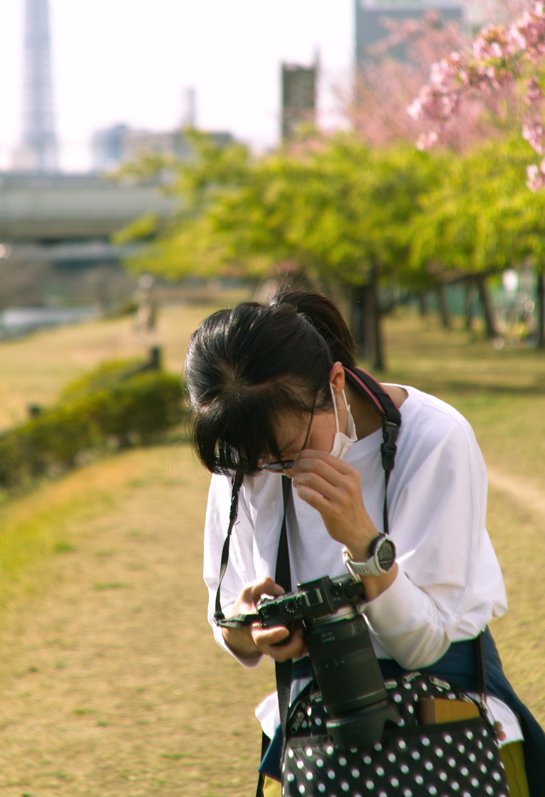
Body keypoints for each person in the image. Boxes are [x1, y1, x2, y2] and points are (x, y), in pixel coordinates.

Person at [184, 289, 545, 796]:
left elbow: (423, 644)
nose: (278, 470)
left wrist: (362, 540)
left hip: (447, 721)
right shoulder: (246, 456)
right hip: (319, 739)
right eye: (259, 460)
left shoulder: (431, 436)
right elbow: (225, 618)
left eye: (288, 451)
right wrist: (253, 629)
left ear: (335, 382)